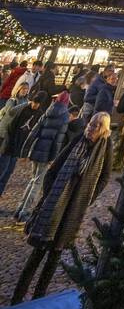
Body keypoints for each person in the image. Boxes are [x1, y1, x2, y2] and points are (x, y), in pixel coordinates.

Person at [10, 111, 113, 304]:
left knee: (54, 255)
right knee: (37, 253)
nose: (91, 128)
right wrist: (50, 194)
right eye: (90, 124)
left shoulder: (105, 149)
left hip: (73, 209)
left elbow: (105, 176)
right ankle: (17, 298)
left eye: (97, 126)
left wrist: (86, 198)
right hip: (55, 204)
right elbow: (54, 168)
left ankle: (38, 299)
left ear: (105, 131)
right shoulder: (77, 142)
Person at [15, 91, 70, 221]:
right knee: (37, 183)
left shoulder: (47, 112)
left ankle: (20, 208)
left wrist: (25, 151)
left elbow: (33, 132)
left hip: (36, 150)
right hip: (46, 155)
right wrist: (53, 158)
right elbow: (58, 141)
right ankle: (24, 212)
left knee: (33, 180)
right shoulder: (64, 117)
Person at [0, 91, 47, 201]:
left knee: (8, 173)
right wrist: (9, 141)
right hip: (10, 144)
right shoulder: (22, 109)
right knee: (2, 169)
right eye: (34, 102)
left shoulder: (39, 114)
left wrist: (24, 151)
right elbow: (11, 124)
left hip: (18, 147)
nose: (35, 105)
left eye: (38, 103)